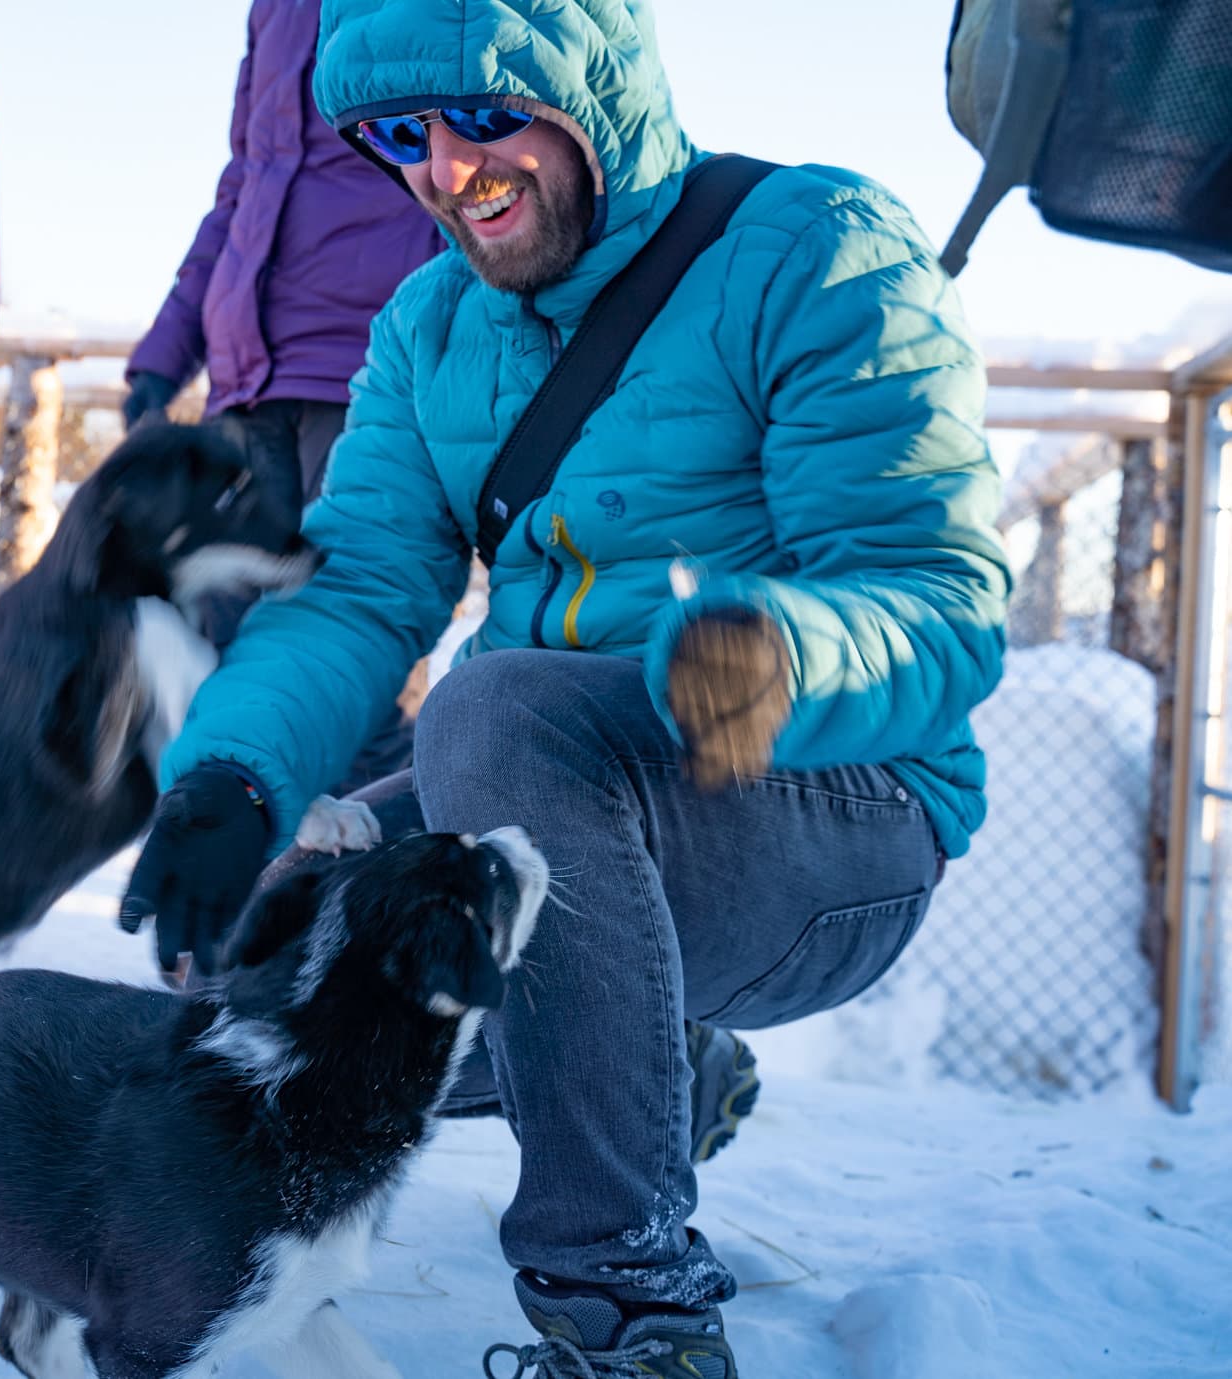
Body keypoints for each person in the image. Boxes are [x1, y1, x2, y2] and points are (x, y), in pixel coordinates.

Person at [119, 0, 1010, 1373]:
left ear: (590, 93)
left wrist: (773, 657)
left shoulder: (819, 242)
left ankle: (630, 1306)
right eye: (396, 136)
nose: (446, 169)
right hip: (548, 785)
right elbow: (358, 593)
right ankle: (659, 1069)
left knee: (494, 710)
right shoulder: (426, 327)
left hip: (827, 808)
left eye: (483, 116)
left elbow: (940, 603)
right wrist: (231, 775)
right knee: (262, 961)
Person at [123, 0, 445, 790]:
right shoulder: (274, 10)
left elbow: (462, 159)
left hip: (364, 368)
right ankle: (254, 886)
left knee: (348, 649)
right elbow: (243, 187)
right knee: (230, 653)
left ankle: (382, 886)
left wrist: (443, 337)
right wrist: (166, 356)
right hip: (246, 378)